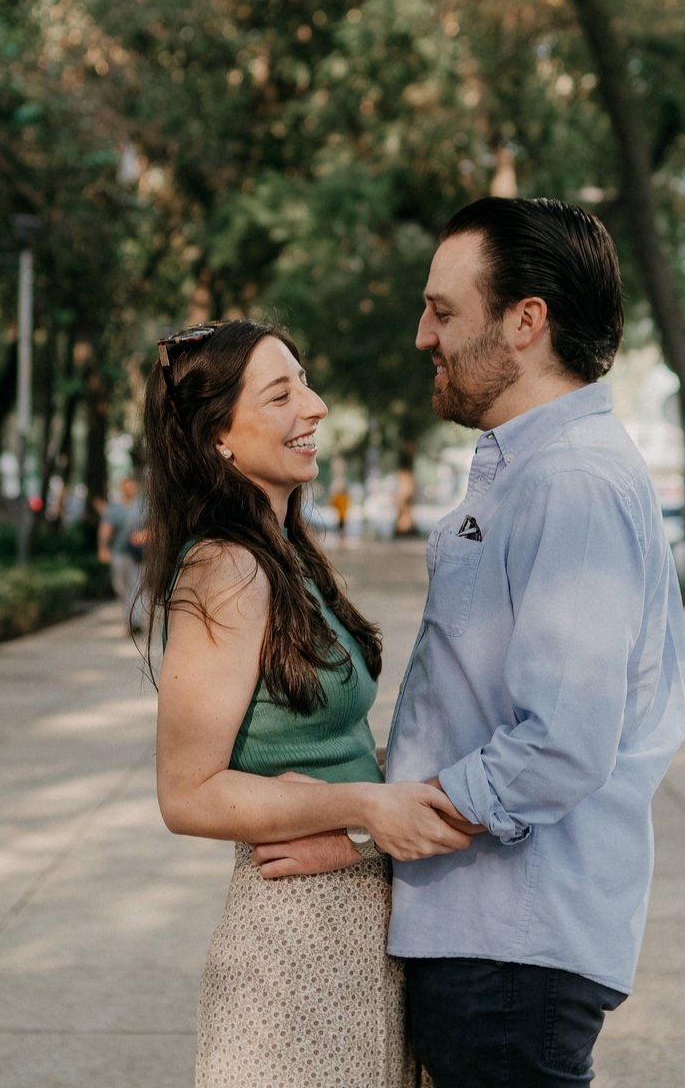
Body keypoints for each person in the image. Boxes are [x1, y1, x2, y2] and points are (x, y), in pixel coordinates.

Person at [265, 198, 685, 1085]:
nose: (424, 335)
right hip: (490, 939)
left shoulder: (569, 482)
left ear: (526, 321)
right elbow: (476, 714)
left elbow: (559, 747)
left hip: (513, 947)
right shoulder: (527, 472)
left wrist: (363, 831)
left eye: (444, 311)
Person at [140, 318, 470, 1088]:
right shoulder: (227, 571)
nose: (314, 407)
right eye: (281, 394)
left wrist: (361, 820)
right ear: (218, 435)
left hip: (350, 927)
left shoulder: (288, 557)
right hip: (292, 952)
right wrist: (363, 805)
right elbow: (185, 793)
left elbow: (339, 761)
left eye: (306, 384)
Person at [97, 474, 146, 637]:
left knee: (137, 587)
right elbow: (106, 528)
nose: (129, 489)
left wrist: (145, 535)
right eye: (126, 486)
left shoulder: (145, 506)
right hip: (118, 553)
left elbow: (158, 527)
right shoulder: (115, 508)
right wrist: (103, 548)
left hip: (138, 554)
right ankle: (130, 618)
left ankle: (135, 622)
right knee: (121, 587)